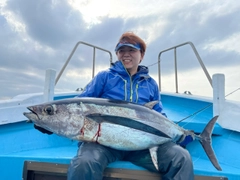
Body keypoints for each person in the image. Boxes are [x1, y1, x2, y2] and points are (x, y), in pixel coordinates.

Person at [67, 32, 194, 180]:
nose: (126, 54)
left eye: (132, 50)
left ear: (142, 55)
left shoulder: (150, 84)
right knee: (84, 162)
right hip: (104, 143)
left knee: (181, 158)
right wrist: (49, 121)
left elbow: (159, 116)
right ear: (117, 54)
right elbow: (79, 104)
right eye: (122, 51)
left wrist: (178, 134)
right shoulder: (104, 77)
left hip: (144, 146)